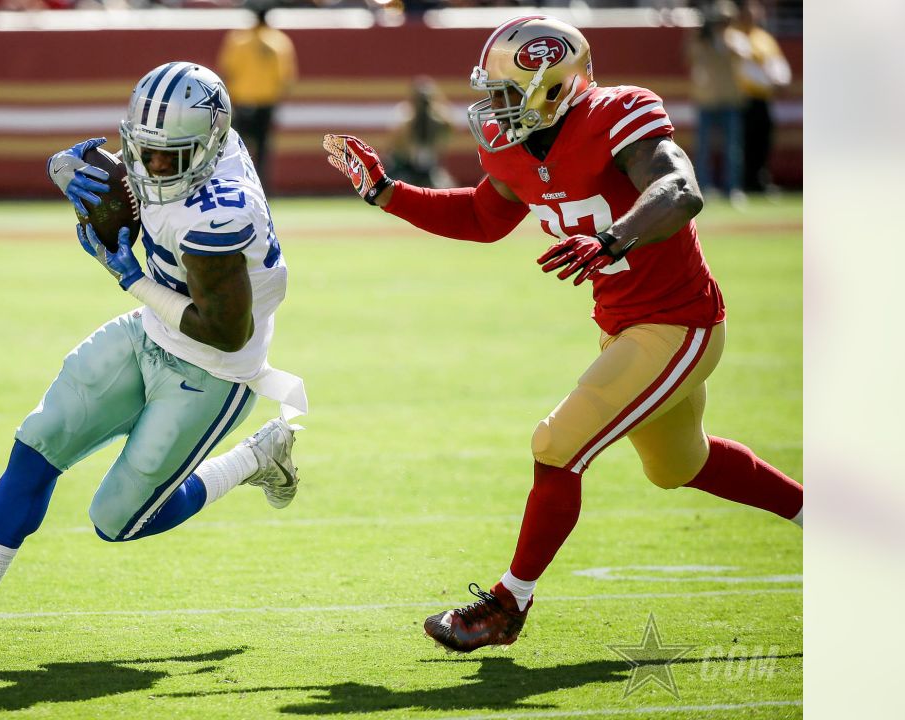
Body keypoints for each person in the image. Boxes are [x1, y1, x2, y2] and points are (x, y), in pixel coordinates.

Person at [322, 15, 801, 653]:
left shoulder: (618, 112)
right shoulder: (513, 143)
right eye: (489, 89)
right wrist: (387, 192)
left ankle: (505, 605)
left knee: (557, 443)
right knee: (680, 465)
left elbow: (680, 190)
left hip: (679, 322)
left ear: (557, 87)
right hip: (626, 327)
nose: (493, 105)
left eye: (508, 91)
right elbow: (481, 217)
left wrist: (611, 238)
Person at [0, 61, 307, 660]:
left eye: (166, 158)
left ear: (205, 150)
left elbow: (226, 333)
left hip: (211, 369)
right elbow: (129, 171)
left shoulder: (219, 213)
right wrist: (69, 169)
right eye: (141, 150)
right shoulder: (197, 140)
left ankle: (254, 458)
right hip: (150, 334)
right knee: (37, 444)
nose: (148, 167)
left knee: (118, 519)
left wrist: (132, 280)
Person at [216, 3, 298, 193]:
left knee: (235, 148)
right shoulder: (279, 42)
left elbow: (227, 71)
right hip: (266, 103)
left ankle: (235, 184)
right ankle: (261, 189)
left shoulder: (238, 40)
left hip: (242, 102)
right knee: (262, 150)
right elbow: (286, 79)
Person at [686, 0, 747, 205]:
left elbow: (742, 54)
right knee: (703, 147)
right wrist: (706, 39)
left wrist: (722, 41)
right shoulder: (701, 40)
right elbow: (691, 57)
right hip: (707, 99)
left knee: (732, 148)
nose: (721, 24)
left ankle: (732, 188)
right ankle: (704, 186)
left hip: (729, 98)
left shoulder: (734, 38)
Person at [728, 0, 792, 194]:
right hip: (742, 99)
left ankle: (760, 179)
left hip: (763, 98)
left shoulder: (764, 38)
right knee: (743, 142)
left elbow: (776, 63)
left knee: (762, 140)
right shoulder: (733, 34)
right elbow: (748, 63)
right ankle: (744, 181)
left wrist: (781, 79)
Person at [386, 76, 455, 189]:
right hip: (404, 166)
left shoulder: (438, 117)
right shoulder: (405, 114)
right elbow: (396, 144)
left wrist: (435, 113)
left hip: (428, 169)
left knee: (446, 191)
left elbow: (450, 129)